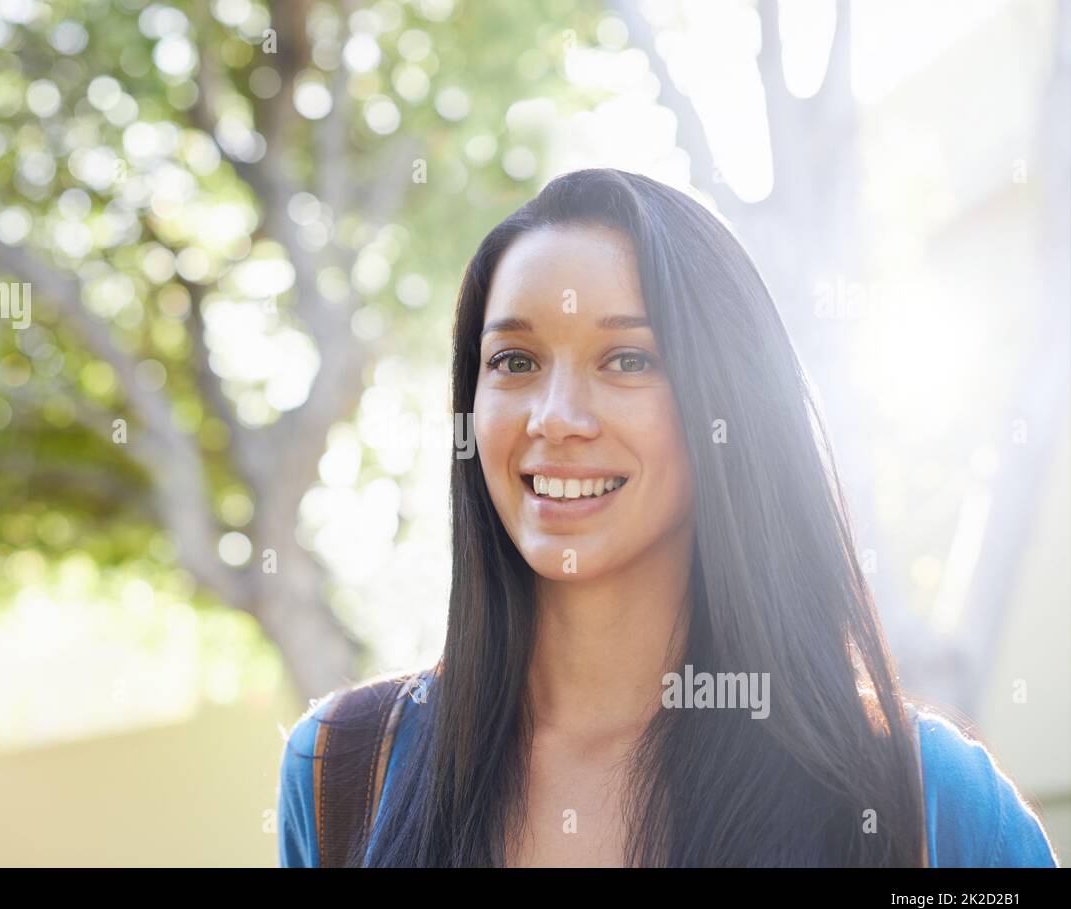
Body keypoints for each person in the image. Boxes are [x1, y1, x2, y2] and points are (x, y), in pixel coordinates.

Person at [278, 168, 1060, 867]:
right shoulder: (344, 770)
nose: (556, 417)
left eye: (627, 360)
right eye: (515, 362)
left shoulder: (928, 806)